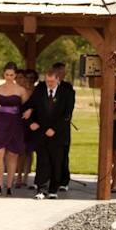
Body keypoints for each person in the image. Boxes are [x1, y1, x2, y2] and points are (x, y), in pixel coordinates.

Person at [24, 68, 74, 200]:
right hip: (41, 134)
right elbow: (27, 107)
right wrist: (30, 122)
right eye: (47, 81)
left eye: (52, 82)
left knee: (56, 163)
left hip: (58, 135)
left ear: (58, 80)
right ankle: (41, 190)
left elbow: (67, 115)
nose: (49, 84)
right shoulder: (39, 92)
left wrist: (55, 129)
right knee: (42, 162)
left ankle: (53, 190)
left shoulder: (66, 94)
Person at [0, 62, 29, 196]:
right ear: (3, 74)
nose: (9, 77)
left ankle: (10, 186)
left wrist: (28, 112)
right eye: (7, 74)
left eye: (11, 75)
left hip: (15, 124)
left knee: (12, 155)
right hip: (0, 123)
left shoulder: (21, 90)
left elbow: (28, 107)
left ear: (15, 75)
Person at [52, 62, 75, 191]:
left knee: (63, 155)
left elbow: (69, 109)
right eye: (61, 72)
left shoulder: (67, 88)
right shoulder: (45, 86)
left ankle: (63, 181)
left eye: (64, 72)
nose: (63, 74)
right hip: (47, 127)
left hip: (62, 127)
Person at [14, 69, 37, 189]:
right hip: (19, 123)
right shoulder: (17, 91)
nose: (28, 80)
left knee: (29, 151)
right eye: (25, 77)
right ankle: (18, 177)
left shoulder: (34, 91)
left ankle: (26, 177)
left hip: (31, 123)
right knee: (20, 151)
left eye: (31, 78)